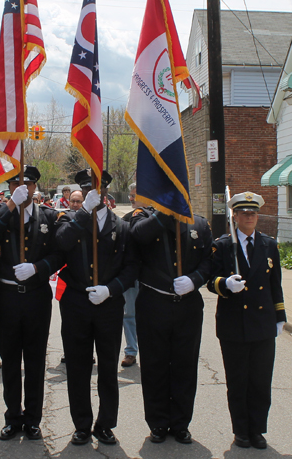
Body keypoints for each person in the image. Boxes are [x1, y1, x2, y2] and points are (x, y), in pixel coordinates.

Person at [55, 169, 139, 446]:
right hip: (76, 302)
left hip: (108, 304)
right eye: (88, 190)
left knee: (107, 368)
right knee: (78, 367)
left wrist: (110, 289)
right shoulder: (70, 220)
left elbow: (130, 268)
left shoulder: (122, 226)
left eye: (98, 190)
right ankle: (81, 424)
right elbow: (62, 243)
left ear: (106, 192)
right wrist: (83, 214)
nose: (95, 194)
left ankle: (104, 424)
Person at [0, 165, 63, 442]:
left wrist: (39, 267)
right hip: (7, 299)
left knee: (36, 361)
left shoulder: (48, 217)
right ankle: (12, 417)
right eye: (16, 184)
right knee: (11, 362)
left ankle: (32, 419)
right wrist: (9, 208)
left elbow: (59, 253)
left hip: (36, 298)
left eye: (26, 184)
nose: (21, 188)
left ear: (34, 187)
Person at [208, 192, 286, 450]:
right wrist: (225, 284)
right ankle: (241, 431)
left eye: (253, 213)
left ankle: (257, 429)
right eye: (244, 213)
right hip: (234, 325)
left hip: (263, 324)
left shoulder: (269, 245)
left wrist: (279, 316)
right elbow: (210, 281)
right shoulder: (222, 245)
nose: (249, 217)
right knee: (238, 382)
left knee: (261, 382)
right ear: (235, 216)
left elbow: (276, 285)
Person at [129, 204, 212, 445]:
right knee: (155, 366)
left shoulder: (199, 223)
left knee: (185, 366)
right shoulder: (143, 217)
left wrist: (195, 280)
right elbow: (138, 236)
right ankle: (157, 422)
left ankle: (181, 423)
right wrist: (166, 211)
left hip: (188, 306)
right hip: (154, 304)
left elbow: (208, 261)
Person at [120, 183, 147, 368]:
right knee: (129, 314)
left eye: (134, 195)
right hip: (130, 276)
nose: (130, 198)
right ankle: (131, 351)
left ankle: (150, 350)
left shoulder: (154, 218)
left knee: (149, 315)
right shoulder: (126, 219)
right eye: (129, 195)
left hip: (149, 276)